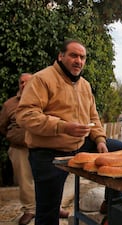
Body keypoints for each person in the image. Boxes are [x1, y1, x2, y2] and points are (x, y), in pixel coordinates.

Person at [15, 39, 122, 225]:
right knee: (48, 212)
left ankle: (111, 203)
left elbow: (94, 117)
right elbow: (25, 115)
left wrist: (99, 139)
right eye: (73, 55)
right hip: (48, 152)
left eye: (82, 57)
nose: (79, 61)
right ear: (60, 56)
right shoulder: (42, 79)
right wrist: (63, 126)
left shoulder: (85, 85)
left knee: (118, 149)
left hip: (80, 145)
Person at [0, 73, 70, 225]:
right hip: (20, 149)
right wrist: (15, 137)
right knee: (25, 181)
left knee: (53, 178)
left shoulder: (45, 99)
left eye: (28, 81)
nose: (24, 85)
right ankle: (29, 210)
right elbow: (3, 126)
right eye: (21, 82)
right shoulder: (9, 104)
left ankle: (55, 207)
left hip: (45, 147)